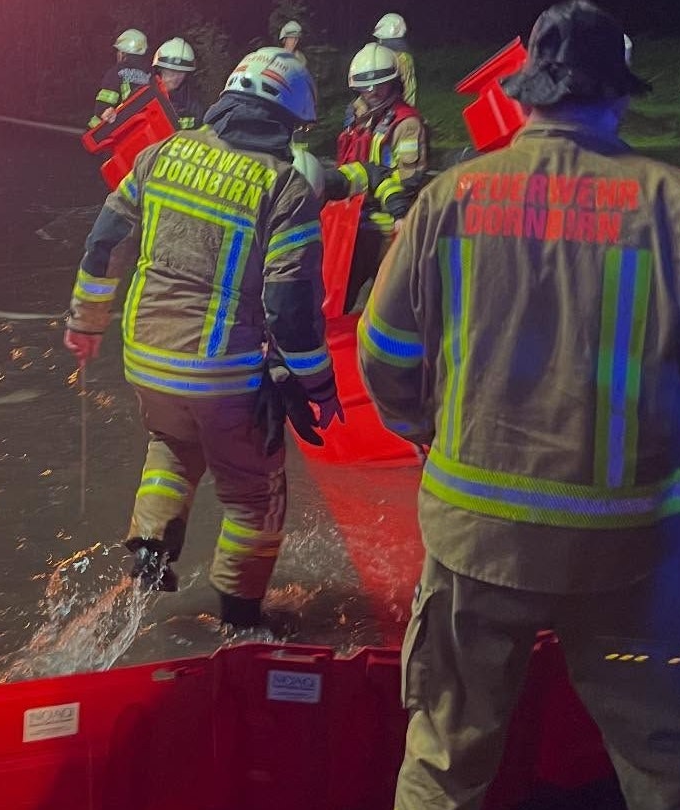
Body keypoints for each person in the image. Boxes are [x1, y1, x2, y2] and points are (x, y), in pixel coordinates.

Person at [358, 2, 680, 808]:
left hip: (475, 539)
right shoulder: (678, 208)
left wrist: (421, 432)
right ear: (618, 97)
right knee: (671, 769)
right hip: (631, 552)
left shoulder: (448, 198)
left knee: (444, 761)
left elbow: (383, 354)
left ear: (524, 98)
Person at [63, 48, 341, 628]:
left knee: (171, 448)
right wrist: (318, 384)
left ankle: (146, 560)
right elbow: (290, 309)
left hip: (144, 359)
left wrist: (85, 325)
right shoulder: (284, 187)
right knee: (254, 493)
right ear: (287, 122)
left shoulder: (158, 155)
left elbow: (103, 245)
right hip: (223, 372)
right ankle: (242, 618)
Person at [334, 43, 429, 310]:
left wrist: (380, 189)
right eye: (366, 86)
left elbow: (409, 181)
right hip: (350, 223)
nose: (373, 91)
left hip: (386, 228)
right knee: (338, 299)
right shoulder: (356, 116)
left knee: (385, 305)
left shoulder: (407, 123)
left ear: (393, 82)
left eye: (380, 84)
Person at [91, 29, 151, 128]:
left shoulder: (116, 73)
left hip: (119, 130)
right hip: (142, 127)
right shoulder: (150, 74)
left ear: (123, 53)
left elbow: (102, 108)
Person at [152, 38, 203, 130]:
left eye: (181, 72)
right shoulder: (146, 93)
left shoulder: (192, 102)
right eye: (171, 71)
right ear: (160, 70)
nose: (175, 77)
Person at [373, 12, 416, 108]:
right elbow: (409, 87)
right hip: (401, 107)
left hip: (395, 107)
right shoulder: (405, 55)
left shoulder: (387, 55)